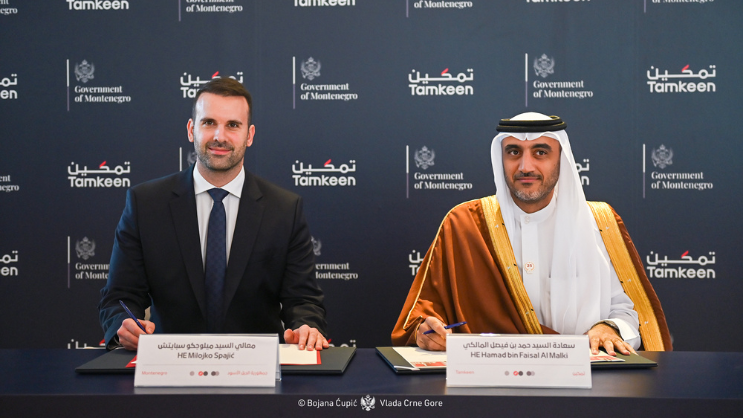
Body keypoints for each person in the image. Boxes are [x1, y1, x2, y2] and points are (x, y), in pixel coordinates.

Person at [392, 112, 671, 355]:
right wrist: (426, 333)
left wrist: (609, 328)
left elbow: (630, 312)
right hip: (487, 384)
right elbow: (422, 318)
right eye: (514, 152)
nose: (525, 166)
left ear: (561, 159)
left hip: (584, 382)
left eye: (540, 152)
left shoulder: (600, 223)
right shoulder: (464, 224)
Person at [99, 78, 328, 351]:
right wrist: (124, 324)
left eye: (233, 125)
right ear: (191, 129)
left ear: (250, 135)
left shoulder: (285, 209)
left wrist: (306, 327)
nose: (220, 136)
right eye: (209, 123)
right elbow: (120, 296)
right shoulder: (145, 204)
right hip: (170, 364)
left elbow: (303, 299)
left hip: (257, 366)